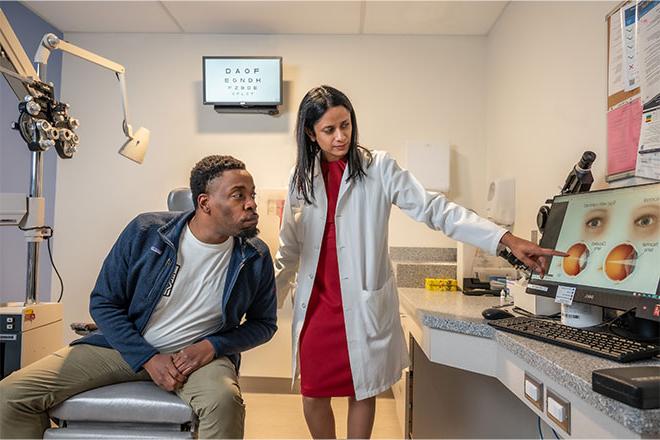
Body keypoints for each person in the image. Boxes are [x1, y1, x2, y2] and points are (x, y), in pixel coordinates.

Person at [274, 85, 566, 439]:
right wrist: (265, 303)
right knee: (314, 395)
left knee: (362, 390)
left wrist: (503, 239)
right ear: (310, 133)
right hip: (318, 305)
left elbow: (434, 209)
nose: (341, 137)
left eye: (346, 125)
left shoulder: (378, 167)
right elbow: (289, 249)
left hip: (362, 303)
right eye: (329, 130)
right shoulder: (300, 180)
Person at [0, 155, 277, 439]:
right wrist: (147, 358)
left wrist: (213, 345)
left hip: (196, 359)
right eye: (237, 196)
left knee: (224, 402)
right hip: (123, 348)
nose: (251, 203)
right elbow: (104, 302)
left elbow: (264, 323)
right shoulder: (147, 232)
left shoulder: (255, 255)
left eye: (251, 195)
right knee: (11, 395)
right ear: (205, 203)